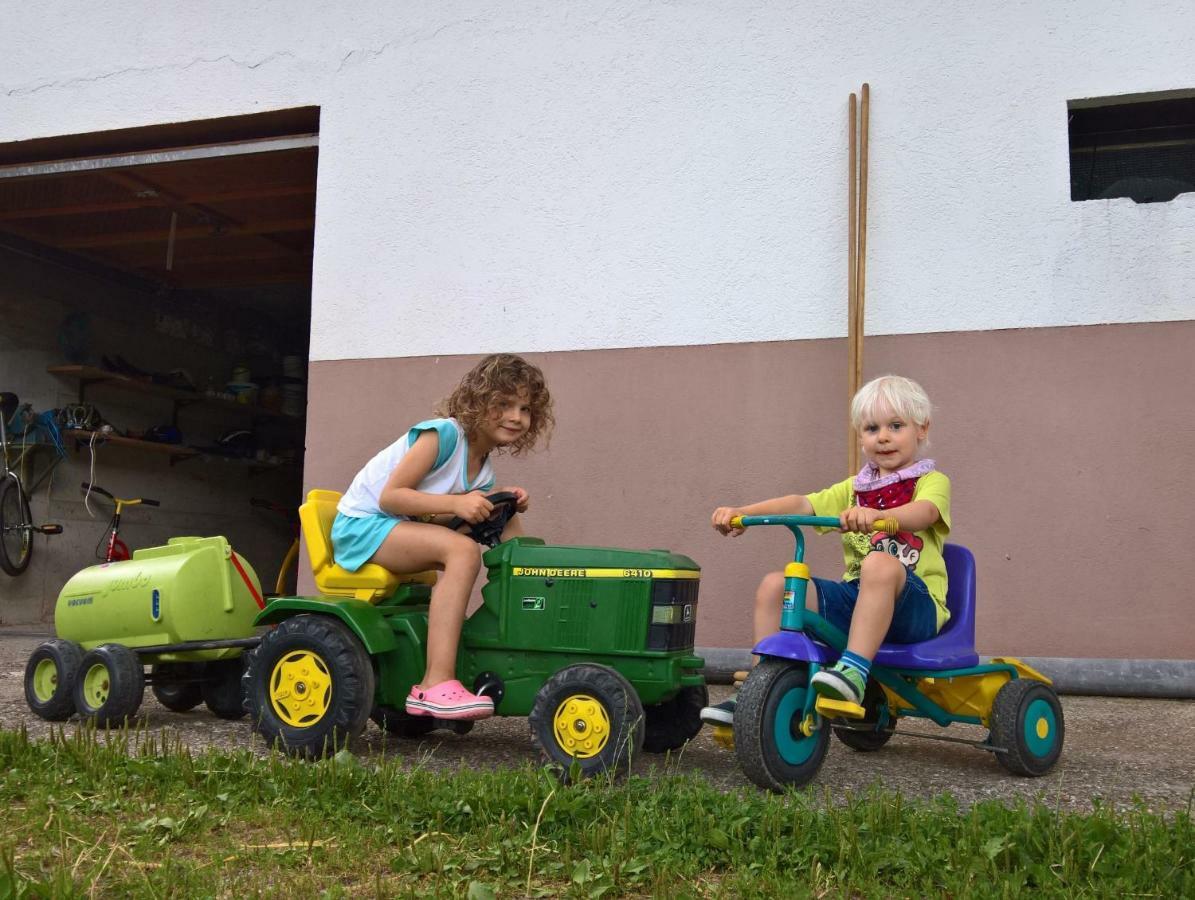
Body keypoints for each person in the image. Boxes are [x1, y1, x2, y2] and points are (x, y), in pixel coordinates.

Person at [701, 374, 950, 725]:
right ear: (860, 437)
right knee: (777, 585)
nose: (883, 436)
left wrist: (879, 515)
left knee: (879, 563)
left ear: (921, 429)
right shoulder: (855, 489)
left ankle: (854, 672)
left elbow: (924, 513)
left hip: (915, 608)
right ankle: (759, 689)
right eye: (871, 428)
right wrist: (745, 511)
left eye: (896, 426)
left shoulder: (931, 481)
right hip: (859, 598)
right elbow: (803, 503)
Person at [332, 353, 554, 720]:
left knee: (503, 515)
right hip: (363, 526)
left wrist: (499, 502)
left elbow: (441, 514)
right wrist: (458, 504)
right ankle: (435, 683)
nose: (516, 417)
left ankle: (524, 609)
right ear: (476, 402)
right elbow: (392, 497)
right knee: (464, 552)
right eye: (503, 405)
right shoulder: (443, 436)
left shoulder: (482, 468)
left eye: (526, 409)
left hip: (400, 525)